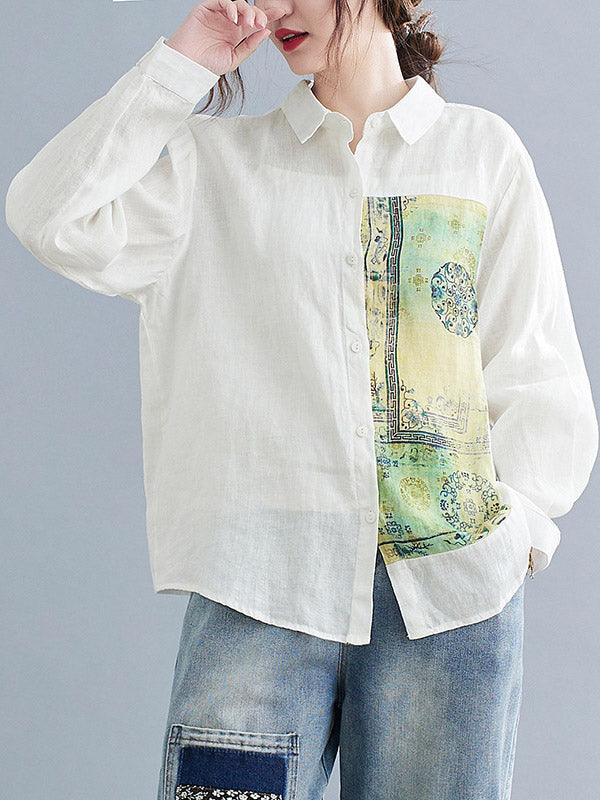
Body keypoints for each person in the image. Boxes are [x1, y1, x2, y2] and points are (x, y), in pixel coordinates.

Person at [5, 0, 598, 798]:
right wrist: (187, 60)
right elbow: (47, 215)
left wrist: (513, 533)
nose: (276, 6)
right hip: (260, 584)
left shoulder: (479, 153)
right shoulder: (215, 167)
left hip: (450, 599)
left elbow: (538, 371)